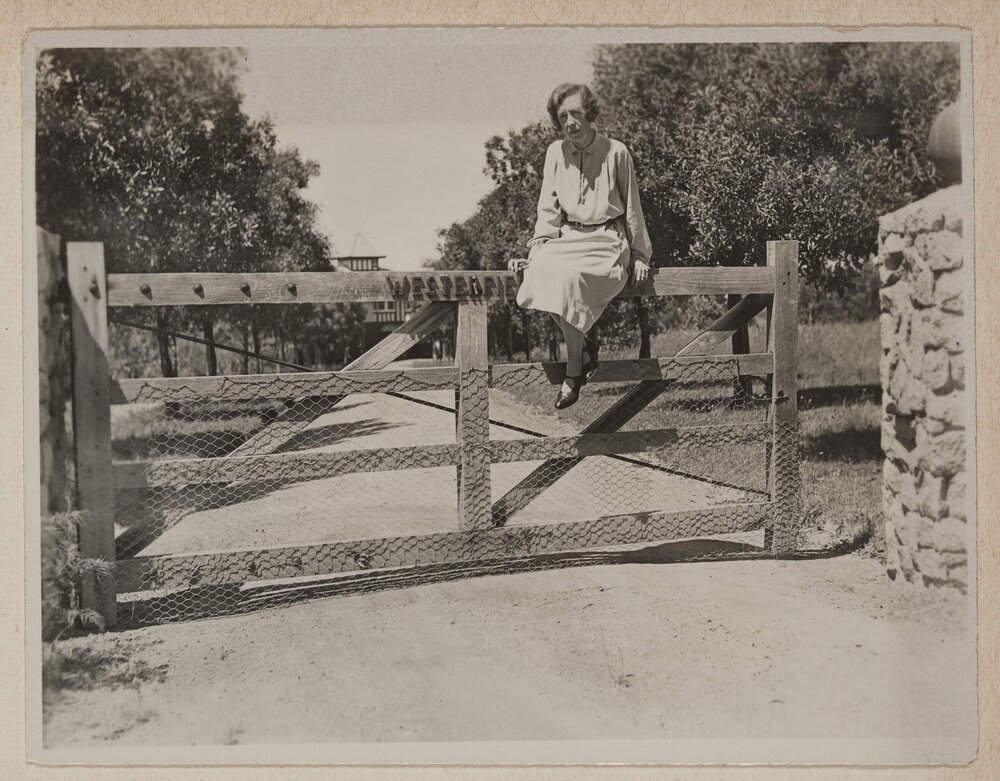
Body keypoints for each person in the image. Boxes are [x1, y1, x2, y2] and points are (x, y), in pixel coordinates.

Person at [509, 83, 652, 409]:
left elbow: (633, 207)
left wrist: (641, 254)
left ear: (590, 112)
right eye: (563, 116)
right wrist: (540, 247)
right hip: (568, 238)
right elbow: (548, 208)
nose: (570, 121)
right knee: (538, 273)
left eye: (576, 112)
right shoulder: (554, 154)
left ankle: (574, 371)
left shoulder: (617, 152)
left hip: (606, 240)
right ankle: (584, 352)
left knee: (570, 278)